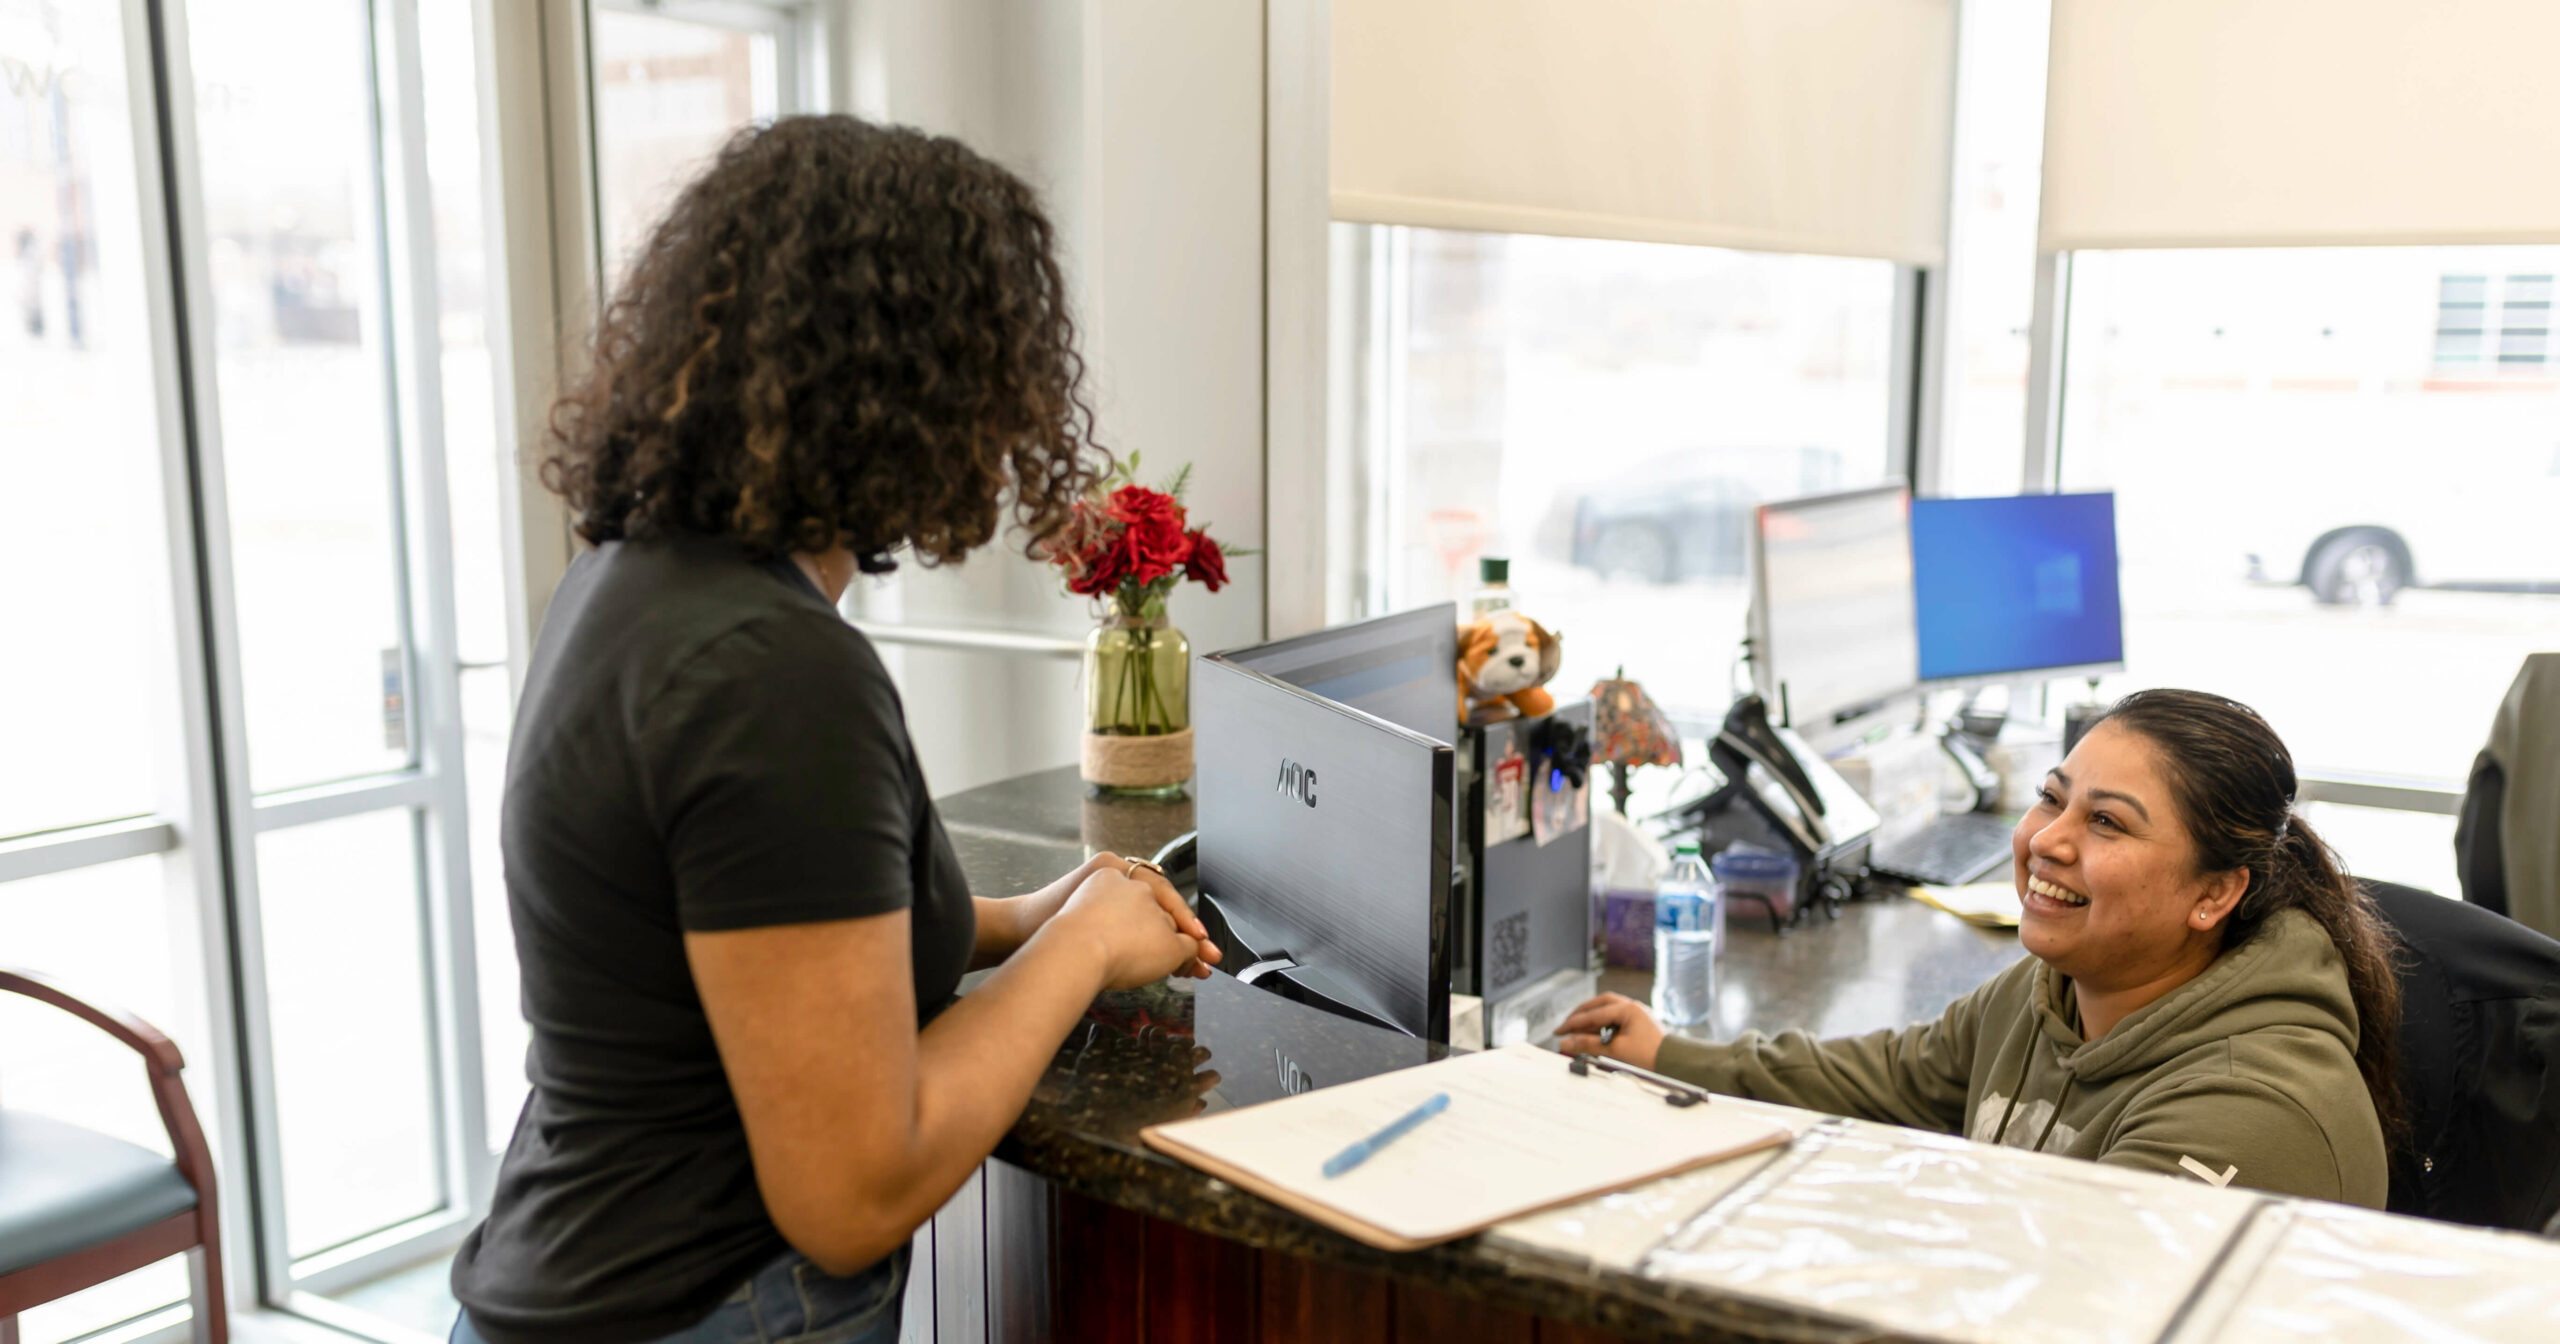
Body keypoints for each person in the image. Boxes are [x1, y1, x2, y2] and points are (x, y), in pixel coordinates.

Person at [447, 116, 1219, 1344]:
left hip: (574, 1275)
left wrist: (1033, 917)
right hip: (714, 1306)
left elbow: (746, 950)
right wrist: (1071, 961)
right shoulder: (776, 673)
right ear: (919, 386)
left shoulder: (627, 583)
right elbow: (853, 1194)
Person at [1559, 689, 2401, 1207]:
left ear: (2215, 894)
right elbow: (1884, 1075)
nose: (2046, 841)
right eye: (2052, 800)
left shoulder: (2248, 1114)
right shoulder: (2053, 994)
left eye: (2107, 823)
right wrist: (1669, 1054)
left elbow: (2062, 1293)